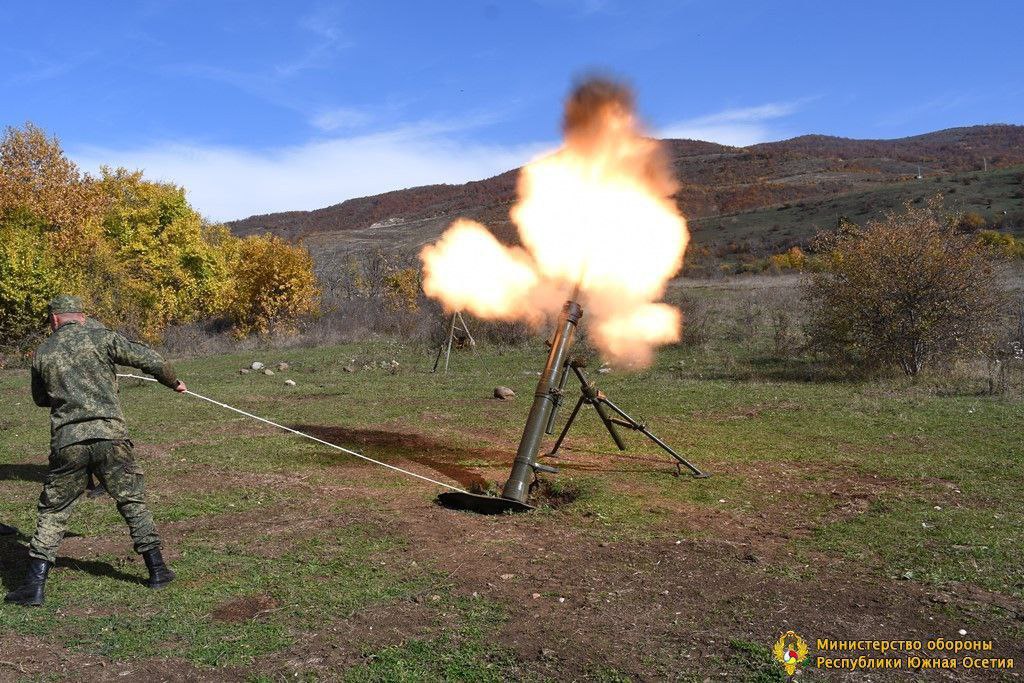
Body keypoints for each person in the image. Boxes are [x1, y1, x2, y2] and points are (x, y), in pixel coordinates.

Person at [5, 295, 186, 607]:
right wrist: (174, 383)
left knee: (54, 511)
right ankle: (157, 570)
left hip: (68, 442)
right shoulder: (102, 338)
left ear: (54, 320)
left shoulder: (43, 352)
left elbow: (39, 399)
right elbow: (153, 360)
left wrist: (67, 392)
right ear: (82, 317)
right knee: (132, 501)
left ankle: (34, 587)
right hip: (111, 437)